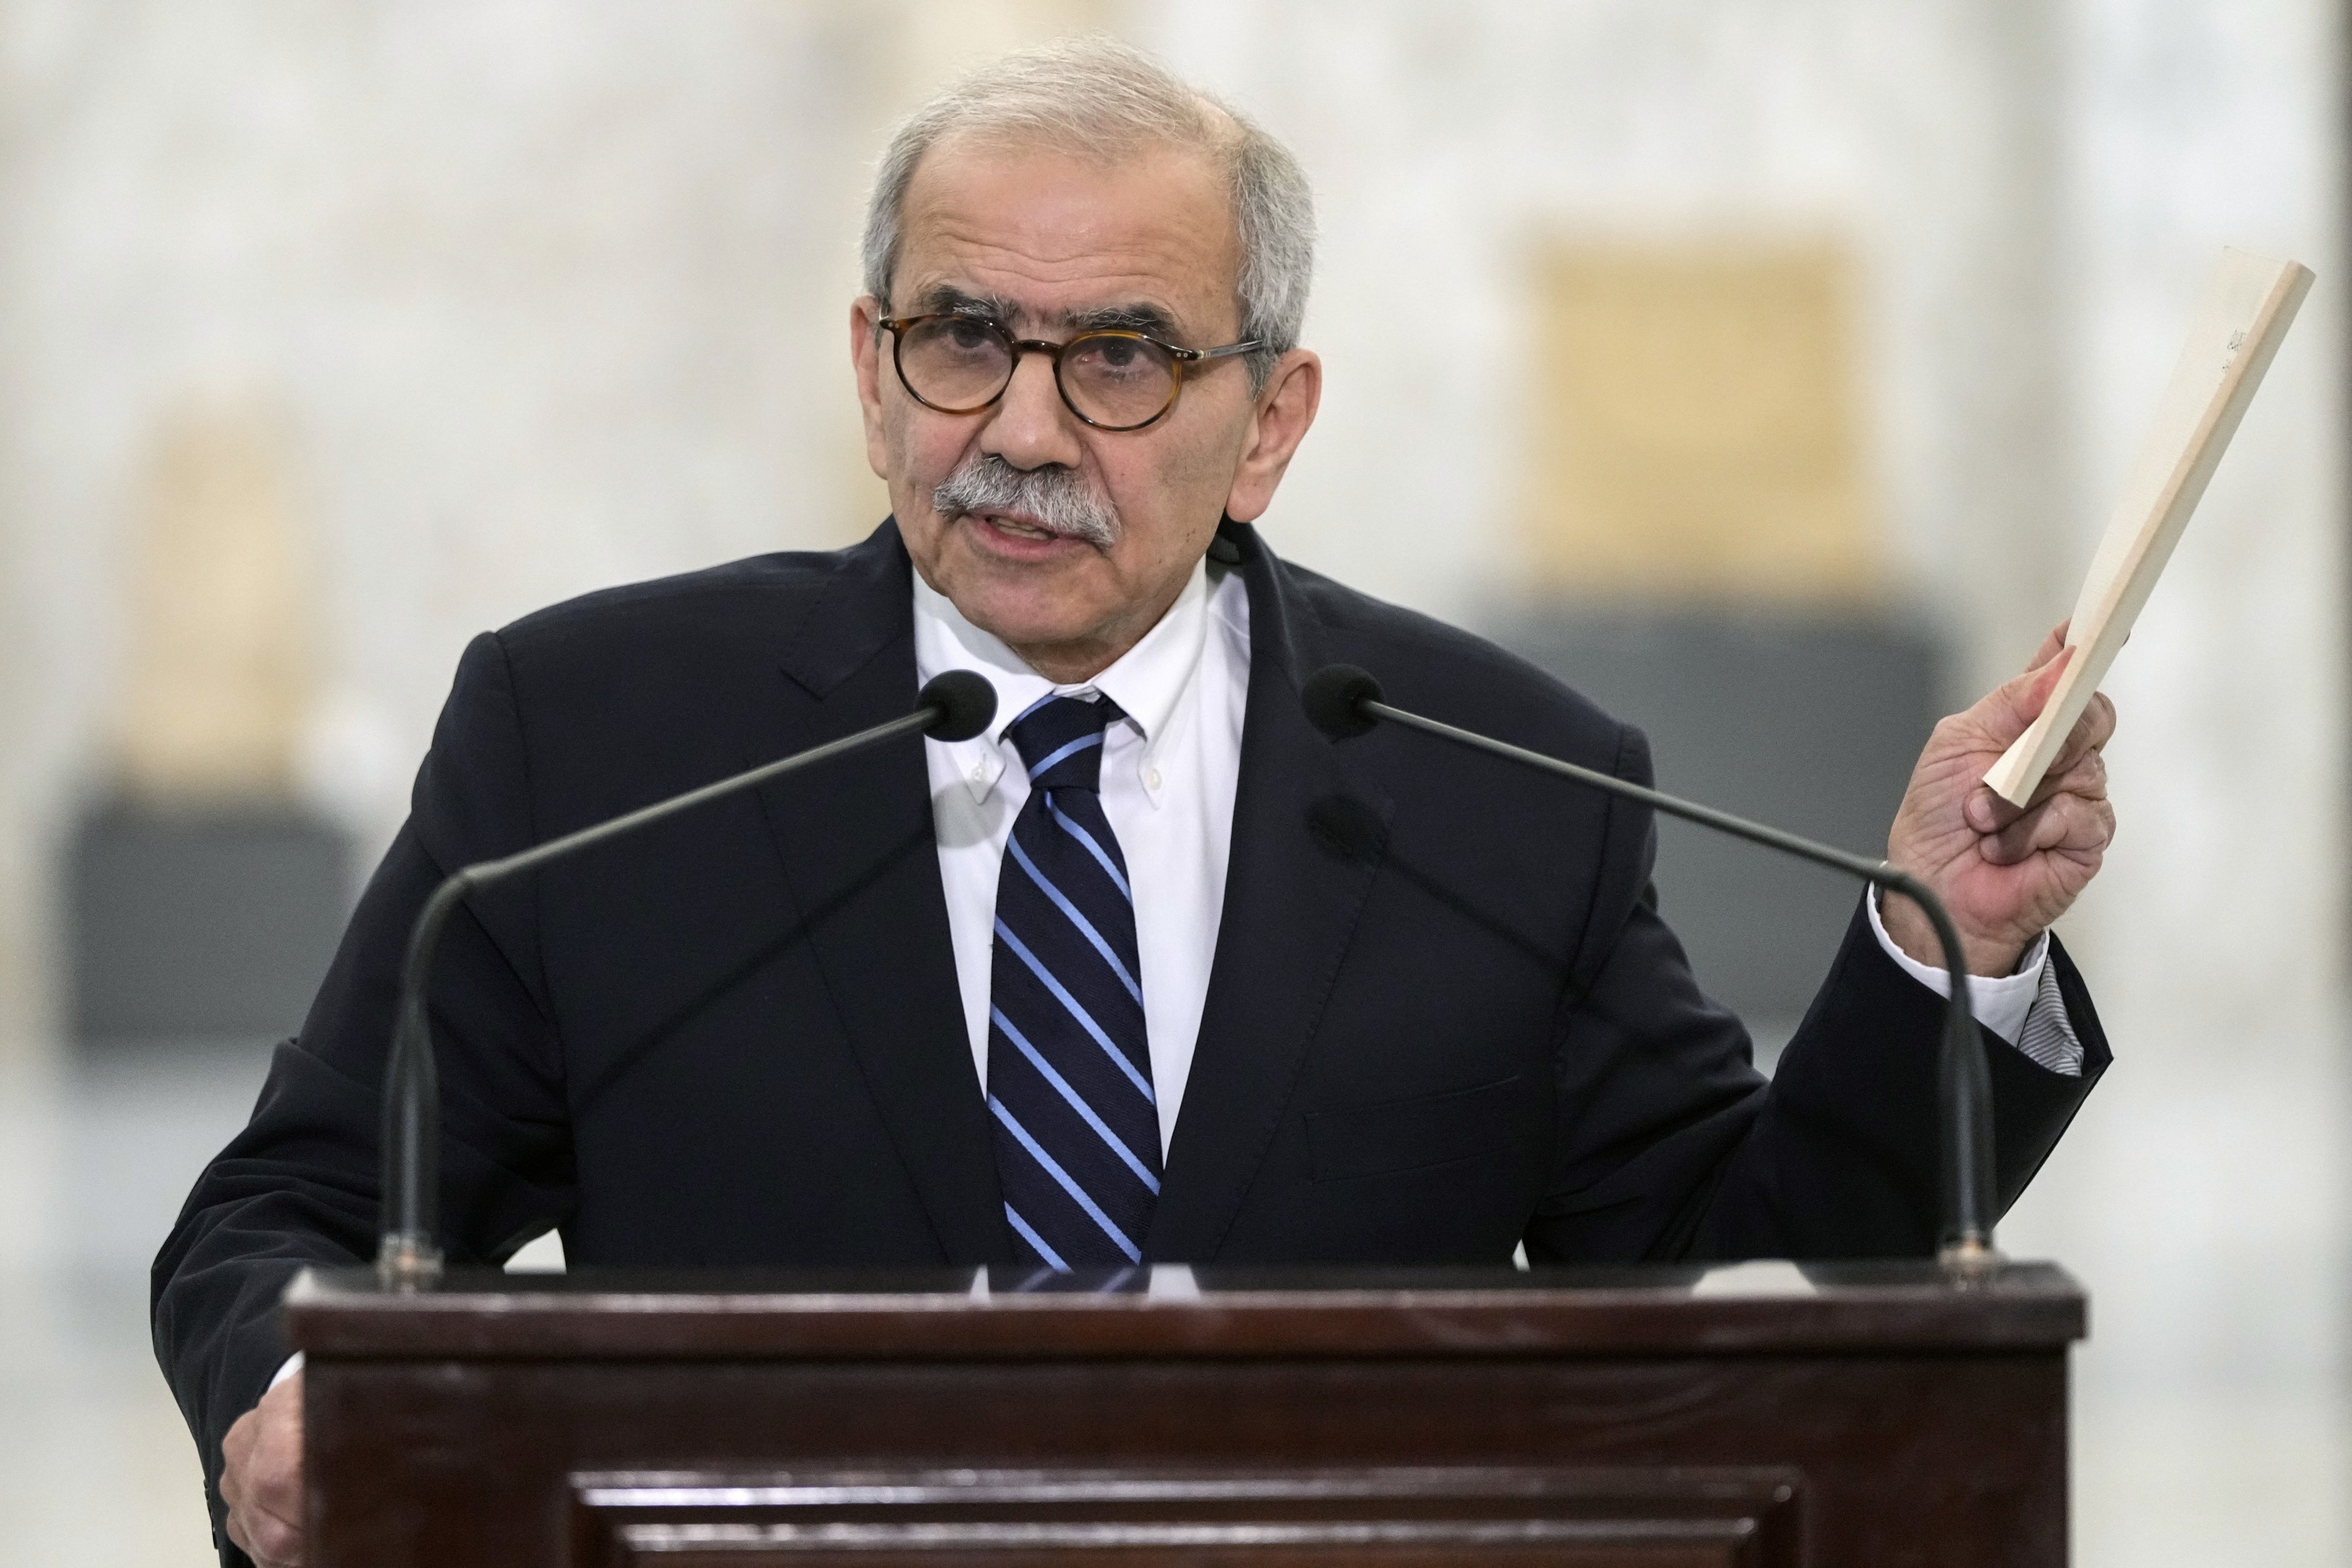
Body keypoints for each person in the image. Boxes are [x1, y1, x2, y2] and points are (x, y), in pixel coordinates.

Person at [153, 37, 2118, 1568]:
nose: (1019, 428)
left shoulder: (1497, 779)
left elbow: (1727, 1243)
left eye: (1118, 358)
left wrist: (1942, 939)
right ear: (871, 369)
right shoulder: (601, 739)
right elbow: (288, 1210)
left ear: (1270, 422)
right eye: (961, 338)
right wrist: (280, 1396)